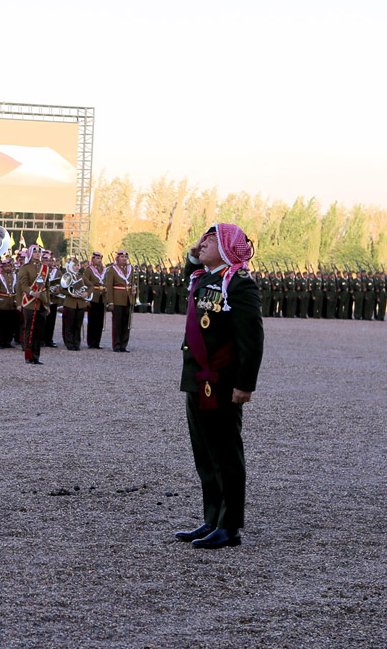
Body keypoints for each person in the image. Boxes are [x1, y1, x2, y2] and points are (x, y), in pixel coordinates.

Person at [175, 223, 264, 550]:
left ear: (227, 247)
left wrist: (245, 384)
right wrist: (194, 253)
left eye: (211, 240)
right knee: (205, 453)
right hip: (198, 377)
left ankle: (230, 526)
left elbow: (251, 338)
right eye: (203, 240)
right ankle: (212, 518)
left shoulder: (238, 283)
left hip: (222, 382)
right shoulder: (206, 277)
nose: (203, 244)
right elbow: (183, 279)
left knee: (225, 452)